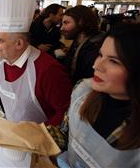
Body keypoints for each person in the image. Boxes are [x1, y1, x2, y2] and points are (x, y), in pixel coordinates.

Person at [56, 23, 140, 167]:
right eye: (100, 55)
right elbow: (64, 133)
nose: (96, 66)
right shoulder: (83, 91)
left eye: (113, 61)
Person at [60, 5, 105, 85]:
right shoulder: (79, 42)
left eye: (66, 23)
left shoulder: (95, 48)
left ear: (81, 22)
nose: (62, 28)